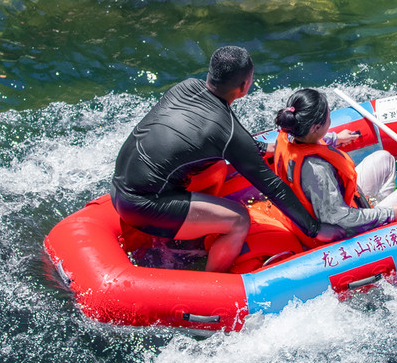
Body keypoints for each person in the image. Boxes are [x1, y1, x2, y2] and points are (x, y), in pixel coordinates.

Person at [110, 46, 343, 273]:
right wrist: (313, 229)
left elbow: (234, 144)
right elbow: (272, 187)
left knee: (217, 166)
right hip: (143, 207)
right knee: (240, 220)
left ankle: (196, 232)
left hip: (119, 188)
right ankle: (212, 281)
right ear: (244, 86)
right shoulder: (227, 131)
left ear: (211, 73)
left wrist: (274, 147)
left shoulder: (187, 86)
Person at [273, 88, 397, 238]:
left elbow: (311, 140)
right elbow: (338, 219)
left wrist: (335, 138)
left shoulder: (289, 133)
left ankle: (378, 209)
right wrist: (389, 213)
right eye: (328, 116)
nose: (330, 118)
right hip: (342, 226)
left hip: (342, 203)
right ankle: (387, 221)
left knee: (383, 158)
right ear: (315, 128)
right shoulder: (317, 171)